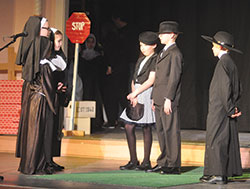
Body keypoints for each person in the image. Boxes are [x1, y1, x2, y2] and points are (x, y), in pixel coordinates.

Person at [15, 16, 66, 175]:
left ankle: (42, 162)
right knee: (37, 132)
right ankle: (36, 165)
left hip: (39, 95)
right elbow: (44, 75)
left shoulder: (39, 48)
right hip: (40, 97)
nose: (49, 33)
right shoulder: (39, 46)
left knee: (41, 132)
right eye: (46, 29)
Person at [199, 31, 242, 184]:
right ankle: (216, 172)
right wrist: (232, 106)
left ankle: (217, 174)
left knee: (216, 139)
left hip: (220, 109)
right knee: (220, 138)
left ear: (220, 47)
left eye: (213, 46)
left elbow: (225, 88)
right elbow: (236, 88)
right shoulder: (229, 62)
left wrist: (230, 109)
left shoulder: (224, 63)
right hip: (224, 107)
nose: (212, 49)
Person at [119, 31, 159, 171]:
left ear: (153, 45)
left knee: (146, 127)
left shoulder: (155, 59)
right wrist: (133, 93)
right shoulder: (141, 59)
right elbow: (134, 77)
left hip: (145, 92)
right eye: (141, 45)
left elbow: (151, 80)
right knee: (129, 125)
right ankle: (133, 160)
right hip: (135, 93)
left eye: (145, 45)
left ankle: (146, 161)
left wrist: (136, 92)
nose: (142, 48)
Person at [148, 21, 183, 175]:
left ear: (171, 35)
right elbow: (159, 77)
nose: (160, 36)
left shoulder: (175, 53)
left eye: (163, 34)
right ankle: (163, 161)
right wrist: (153, 98)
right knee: (161, 131)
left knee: (171, 130)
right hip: (159, 97)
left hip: (168, 99)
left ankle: (173, 164)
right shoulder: (163, 52)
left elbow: (174, 78)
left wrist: (169, 98)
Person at [49, 28, 69, 171]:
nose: (60, 44)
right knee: (49, 128)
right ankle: (47, 159)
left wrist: (64, 85)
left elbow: (65, 73)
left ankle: (52, 158)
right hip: (50, 96)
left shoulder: (61, 55)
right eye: (58, 40)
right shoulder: (47, 56)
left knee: (57, 129)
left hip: (59, 96)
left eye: (61, 41)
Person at [78, 34, 105, 132]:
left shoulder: (98, 56)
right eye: (88, 42)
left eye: (92, 42)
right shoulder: (80, 55)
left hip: (95, 83)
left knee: (95, 101)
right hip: (83, 83)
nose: (90, 44)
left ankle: (96, 123)